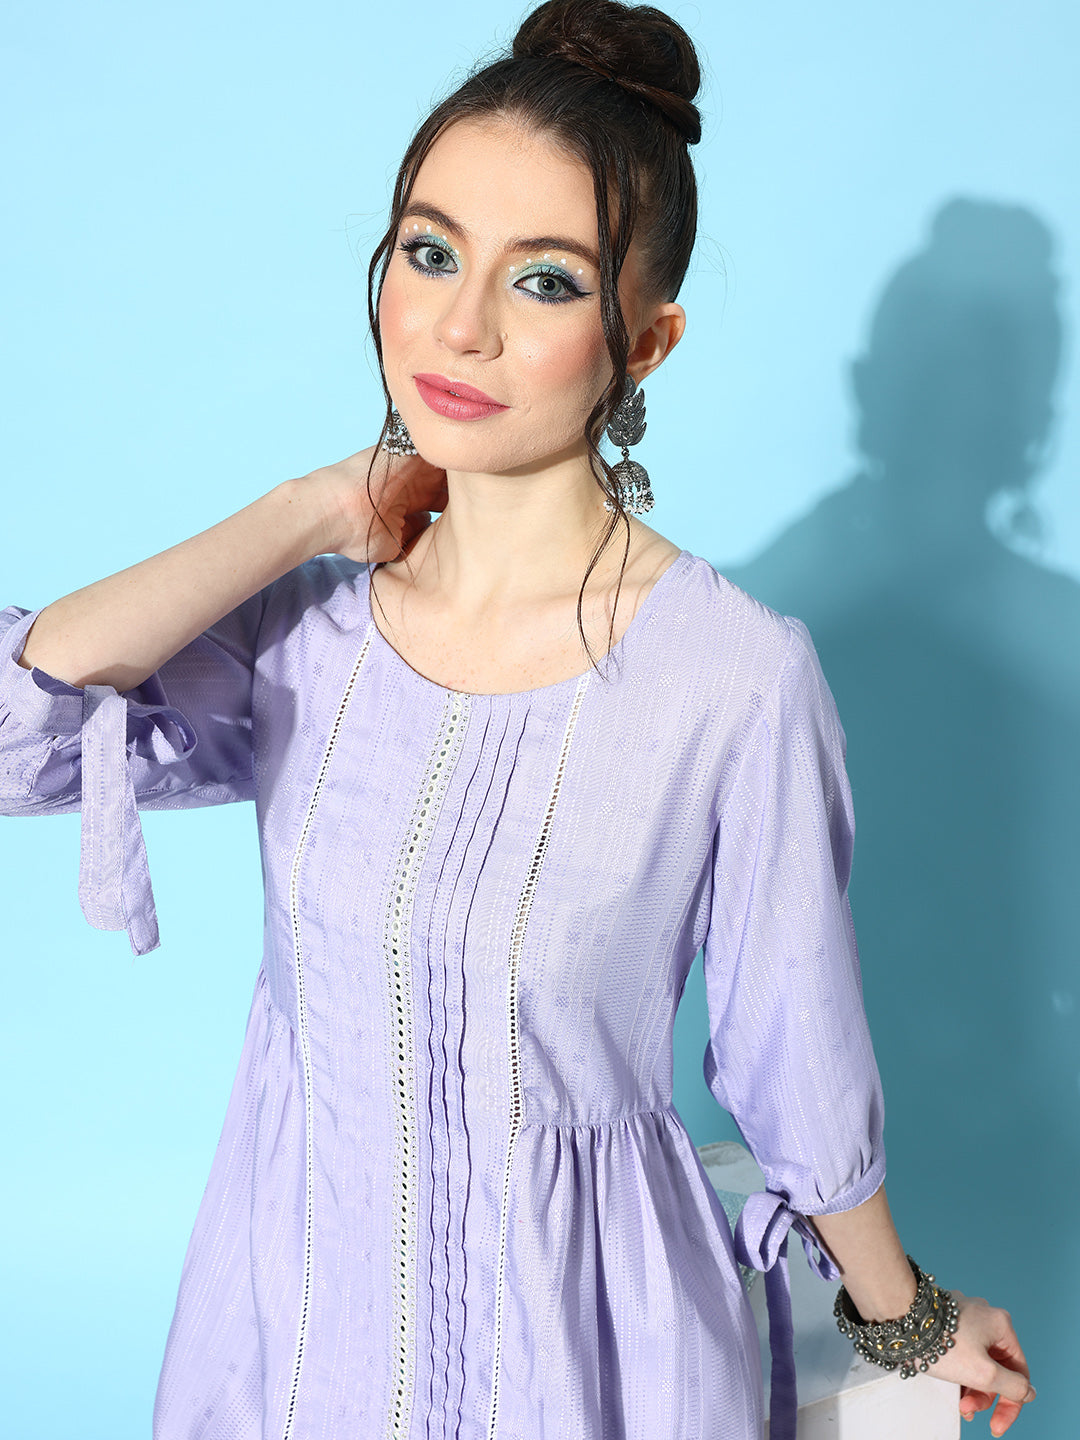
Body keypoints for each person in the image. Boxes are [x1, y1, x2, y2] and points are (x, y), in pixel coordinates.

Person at [0, 2, 1036, 1437]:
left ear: (646, 343)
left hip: (589, 1354)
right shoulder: (308, 632)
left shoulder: (734, 678)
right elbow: (22, 724)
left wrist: (906, 1319)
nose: (460, 326)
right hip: (290, 1341)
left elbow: (798, 1063)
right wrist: (304, 508)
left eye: (544, 282)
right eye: (430, 253)